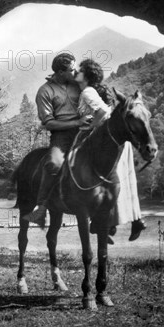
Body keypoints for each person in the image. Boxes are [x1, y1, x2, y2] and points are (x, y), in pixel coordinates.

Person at [74, 58, 146, 241]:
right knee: (120, 181)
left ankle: (102, 224)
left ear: (87, 75)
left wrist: (91, 128)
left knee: (94, 177)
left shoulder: (88, 91)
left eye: (79, 70)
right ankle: (118, 222)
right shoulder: (99, 89)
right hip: (117, 141)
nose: (76, 72)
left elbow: (104, 113)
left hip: (105, 140)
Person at [22, 52, 92, 226]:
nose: (75, 72)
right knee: (53, 164)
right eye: (71, 69)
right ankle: (41, 208)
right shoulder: (45, 91)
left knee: (107, 153)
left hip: (86, 131)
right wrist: (77, 121)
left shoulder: (79, 83)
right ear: (60, 72)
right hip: (61, 136)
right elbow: (49, 123)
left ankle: (113, 211)